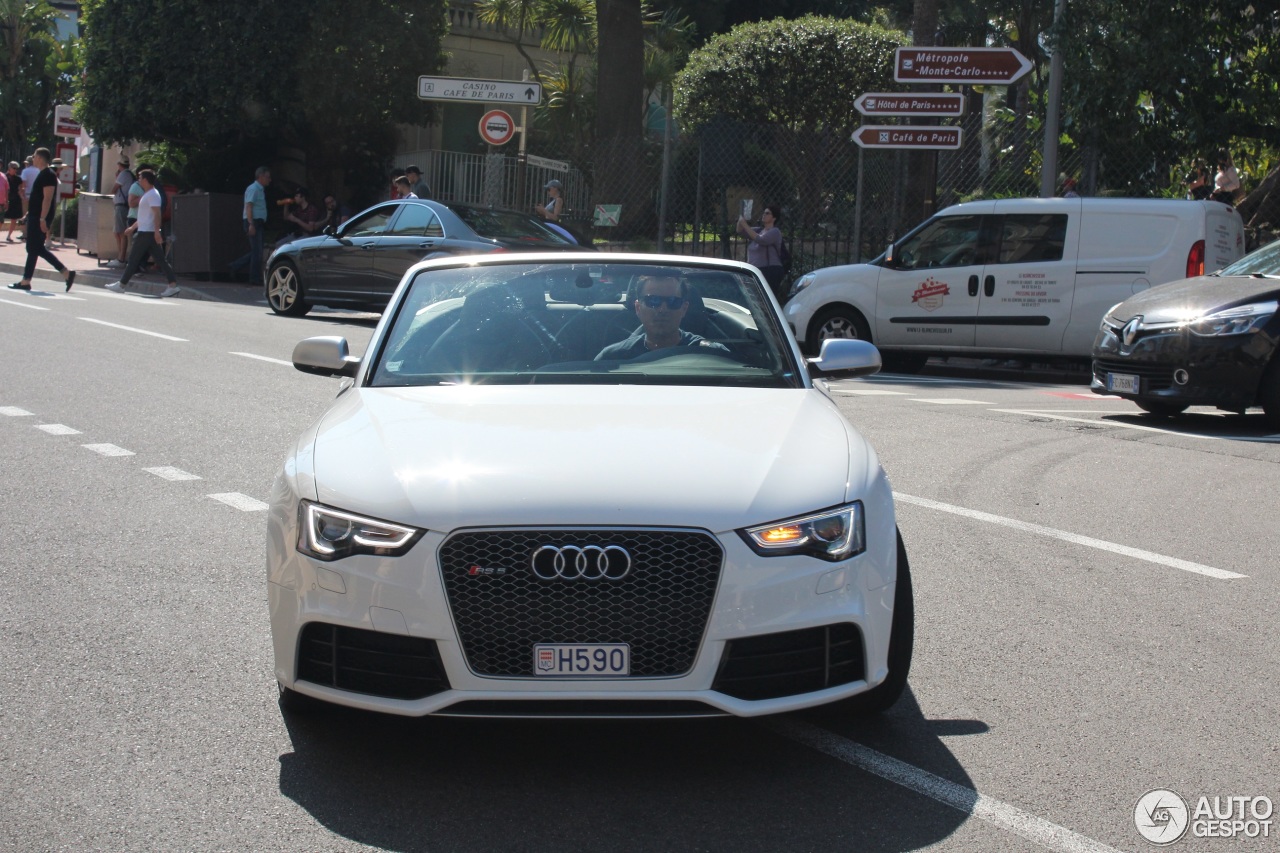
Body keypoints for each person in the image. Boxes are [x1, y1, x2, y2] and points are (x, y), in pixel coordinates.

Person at [595, 274, 728, 360]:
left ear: (684, 309)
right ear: (638, 308)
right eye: (653, 301)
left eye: (672, 302)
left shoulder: (713, 356)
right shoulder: (613, 358)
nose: (662, 309)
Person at [105, 169, 179, 298]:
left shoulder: (153, 195)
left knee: (133, 259)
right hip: (146, 231)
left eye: (140, 178)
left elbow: (157, 214)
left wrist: (157, 232)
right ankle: (172, 286)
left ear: (145, 180)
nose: (138, 180)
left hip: (147, 233)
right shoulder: (149, 194)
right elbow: (145, 216)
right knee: (160, 260)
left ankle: (121, 285)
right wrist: (133, 227)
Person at [9, 148, 74, 292]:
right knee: (34, 248)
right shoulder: (43, 174)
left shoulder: (48, 175)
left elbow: (48, 198)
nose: (32, 158)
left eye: (34, 156)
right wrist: (28, 215)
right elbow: (38, 198)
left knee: (34, 248)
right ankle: (63, 273)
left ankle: (63, 273)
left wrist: (42, 219)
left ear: (39, 158)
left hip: (40, 217)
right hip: (35, 216)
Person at [228, 166, 271, 285]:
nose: (269, 180)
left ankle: (235, 266)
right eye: (267, 177)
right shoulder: (254, 189)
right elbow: (249, 206)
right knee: (257, 251)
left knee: (257, 251)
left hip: (258, 222)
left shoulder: (260, 189)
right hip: (253, 221)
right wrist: (251, 224)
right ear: (261, 177)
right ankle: (253, 278)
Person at [736, 203, 785, 301]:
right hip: (756, 270)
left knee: (767, 299)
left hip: (770, 270)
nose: (764, 215)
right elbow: (740, 231)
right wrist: (741, 220)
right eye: (764, 213)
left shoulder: (775, 232)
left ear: (774, 218)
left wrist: (744, 224)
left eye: (767, 213)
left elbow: (761, 240)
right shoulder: (759, 230)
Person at [110, 157, 134, 265]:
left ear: (120, 165)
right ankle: (120, 255)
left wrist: (117, 177)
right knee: (117, 232)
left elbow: (114, 189)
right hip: (122, 205)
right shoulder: (128, 174)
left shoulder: (124, 174)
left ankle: (121, 258)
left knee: (121, 232)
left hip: (121, 206)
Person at [4, 162, 21, 241]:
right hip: (4, 200)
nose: (15, 170)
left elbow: (21, 189)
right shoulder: (4, 177)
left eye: (16, 169)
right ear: (9, 168)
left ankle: (9, 236)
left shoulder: (18, 179)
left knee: (14, 219)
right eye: (14, 168)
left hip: (15, 200)